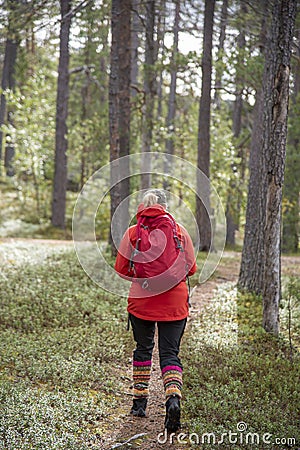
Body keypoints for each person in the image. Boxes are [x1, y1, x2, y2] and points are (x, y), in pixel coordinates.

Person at [114, 189, 197, 432]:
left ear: (143, 207)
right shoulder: (179, 232)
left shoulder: (133, 233)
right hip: (174, 302)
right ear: (166, 208)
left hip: (142, 301)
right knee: (170, 354)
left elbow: (121, 269)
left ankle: (139, 404)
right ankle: (172, 399)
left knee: (143, 349)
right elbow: (191, 269)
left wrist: (143, 278)